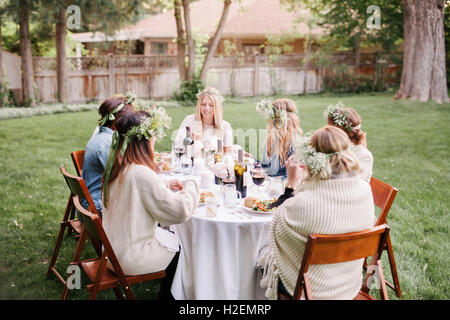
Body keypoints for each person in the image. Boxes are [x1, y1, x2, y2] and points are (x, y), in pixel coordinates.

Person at [257, 125, 376, 300]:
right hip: (347, 285)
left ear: (312, 158)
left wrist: (291, 184)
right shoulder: (365, 190)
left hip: (310, 289)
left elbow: (276, 227)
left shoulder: (305, 202)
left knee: (261, 255)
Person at [101, 109, 199, 300]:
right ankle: (168, 296)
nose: (154, 141)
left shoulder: (118, 166)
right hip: (130, 258)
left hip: (112, 252)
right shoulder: (141, 174)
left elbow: (135, 190)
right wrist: (193, 185)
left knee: (170, 236)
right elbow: (180, 211)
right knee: (185, 246)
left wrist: (164, 184)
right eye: (153, 137)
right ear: (145, 141)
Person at [81, 94, 134, 215]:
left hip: (92, 202)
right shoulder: (107, 144)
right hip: (98, 207)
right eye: (129, 119)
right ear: (119, 120)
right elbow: (123, 179)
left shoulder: (103, 136)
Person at [172, 87, 233, 153]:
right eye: (203, 104)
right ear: (199, 106)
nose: (207, 108)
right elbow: (176, 147)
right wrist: (190, 142)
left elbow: (228, 154)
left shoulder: (225, 126)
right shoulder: (189, 121)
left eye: (211, 105)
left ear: (217, 107)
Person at [325, 102, 373, 182]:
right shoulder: (331, 147)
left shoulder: (363, 155)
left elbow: (356, 184)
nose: (327, 131)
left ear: (341, 131)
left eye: (330, 128)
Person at [257, 98, 303, 178]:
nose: (268, 120)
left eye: (271, 117)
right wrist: (252, 160)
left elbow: (292, 176)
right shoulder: (271, 138)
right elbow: (265, 166)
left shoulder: (295, 143)